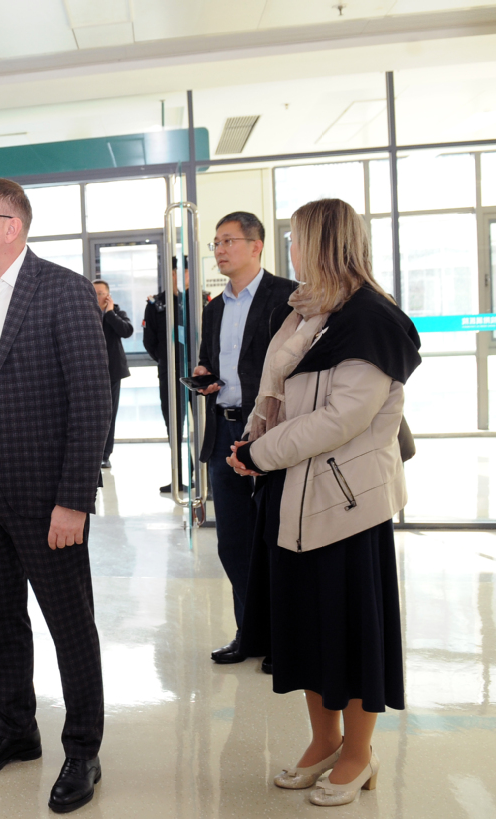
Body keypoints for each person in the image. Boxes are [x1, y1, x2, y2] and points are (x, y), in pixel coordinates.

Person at [229, 198, 419, 807]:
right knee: (307, 629)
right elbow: (280, 394)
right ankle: (325, 741)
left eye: (298, 238)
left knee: (352, 633)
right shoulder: (308, 311)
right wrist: (252, 440)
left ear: (325, 242)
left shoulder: (371, 319)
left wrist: (260, 453)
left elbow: (343, 418)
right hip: (292, 492)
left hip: (345, 505)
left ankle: (360, 754)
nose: (291, 250)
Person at [0, 178, 110, 814]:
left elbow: (92, 400)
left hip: (44, 490)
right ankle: (16, 728)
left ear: (11, 226)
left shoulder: (62, 289)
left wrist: (74, 499)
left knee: (69, 622)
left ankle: (83, 749)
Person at [193, 211, 298, 667]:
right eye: (216, 243)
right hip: (224, 429)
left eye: (228, 241)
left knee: (274, 536)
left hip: (270, 430)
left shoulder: (286, 297)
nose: (220, 250)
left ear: (256, 246)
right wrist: (205, 376)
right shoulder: (214, 307)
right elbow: (210, 361)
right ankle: (249, 632)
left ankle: (284, 639)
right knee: (233, 541)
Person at [142, 256, 201, 494]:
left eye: (188, 272)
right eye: (181, 272)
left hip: (199, 373)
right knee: (174, 426)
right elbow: (149, 341)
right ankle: (179, 476)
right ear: (172, 274)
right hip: (171, 374)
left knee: (203, 425)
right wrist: (167, 361)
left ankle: (202, 476)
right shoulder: (157, 304)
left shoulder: (200, 299)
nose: (185, 276)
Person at [92, 279, 132, 470]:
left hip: (112, 372)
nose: (97, 297)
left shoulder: (116, 313)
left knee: (109, 414)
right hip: (90, 372)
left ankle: (105, 455)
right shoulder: (85, 312)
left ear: (108, 296)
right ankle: (92, 453)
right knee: (91, 415)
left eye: (101, 293)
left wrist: (109, 313)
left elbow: (127, 331)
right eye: (94, 293)